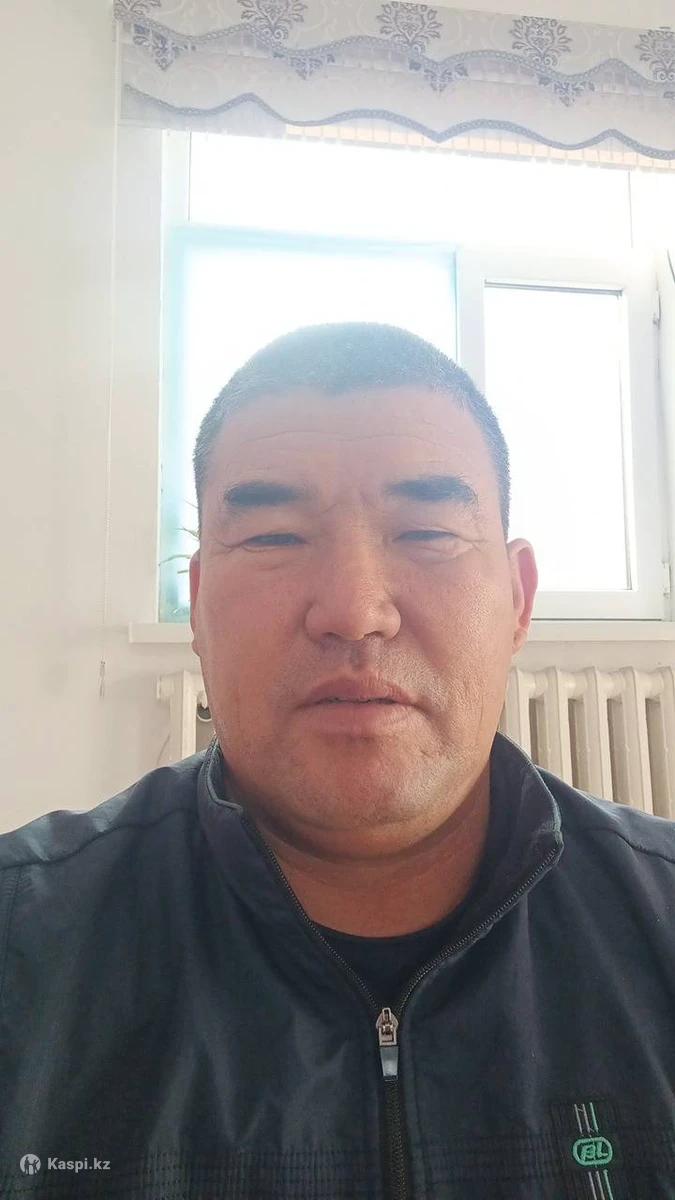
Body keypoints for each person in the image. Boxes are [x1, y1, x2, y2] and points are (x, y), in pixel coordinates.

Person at [1, 323, 674, 1200]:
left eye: (426, 531)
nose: (355, 612)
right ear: (198, 607)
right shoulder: (25, 952)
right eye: (274, 537)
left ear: (517, 599)